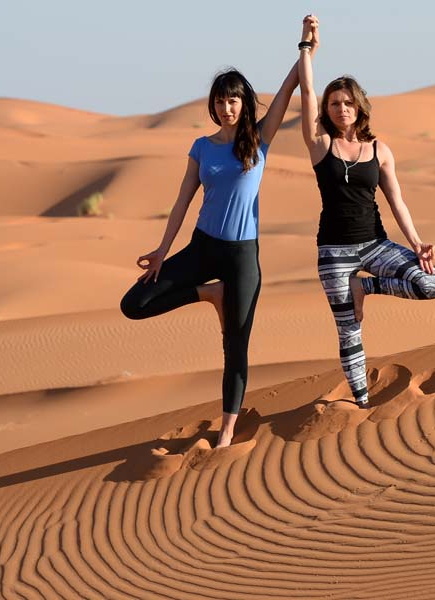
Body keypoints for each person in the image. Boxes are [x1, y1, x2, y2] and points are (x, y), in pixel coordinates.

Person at [120, 39, 317, 448]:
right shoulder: (201, 147)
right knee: (134, 304)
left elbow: (291, 86)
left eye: (234, 100)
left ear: (244, 103)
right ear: (213, 105)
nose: (227, 107)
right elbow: (182, 200)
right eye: (221, 101)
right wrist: (162, 250)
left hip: (242, 256)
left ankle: (227, 430)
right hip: (202, 247)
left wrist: (306, 46)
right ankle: (209, 294)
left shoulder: (259, 141)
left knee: (236, 344)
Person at [297, 15, 435, 408]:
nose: (341, 108)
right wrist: (307, 47)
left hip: (376, 244)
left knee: (432, 286)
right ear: (326, 110)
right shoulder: (319, 145)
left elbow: (396, 199)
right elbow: (307, 90)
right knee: (348, 331)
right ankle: (362, 403)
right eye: (334, 103)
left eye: (347, 102)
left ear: (358, 106)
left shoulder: (379, 150)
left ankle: (366, 287)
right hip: (334, 252)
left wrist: (416, 244)